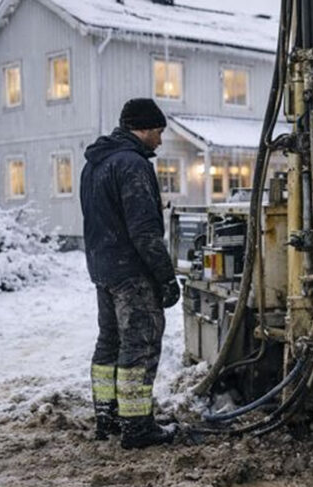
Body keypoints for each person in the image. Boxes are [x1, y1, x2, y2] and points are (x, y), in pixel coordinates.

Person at [80, 98, 181, 449]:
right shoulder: (132, 165)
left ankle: (107, 415)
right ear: (143, 128)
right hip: (132, 272)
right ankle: (137, 426)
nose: (160, 140)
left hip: (102, 268)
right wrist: (166, 277)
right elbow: (144, 231)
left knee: (109, 343)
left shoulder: (95, 164)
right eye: (158, 131)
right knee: (139, 345)